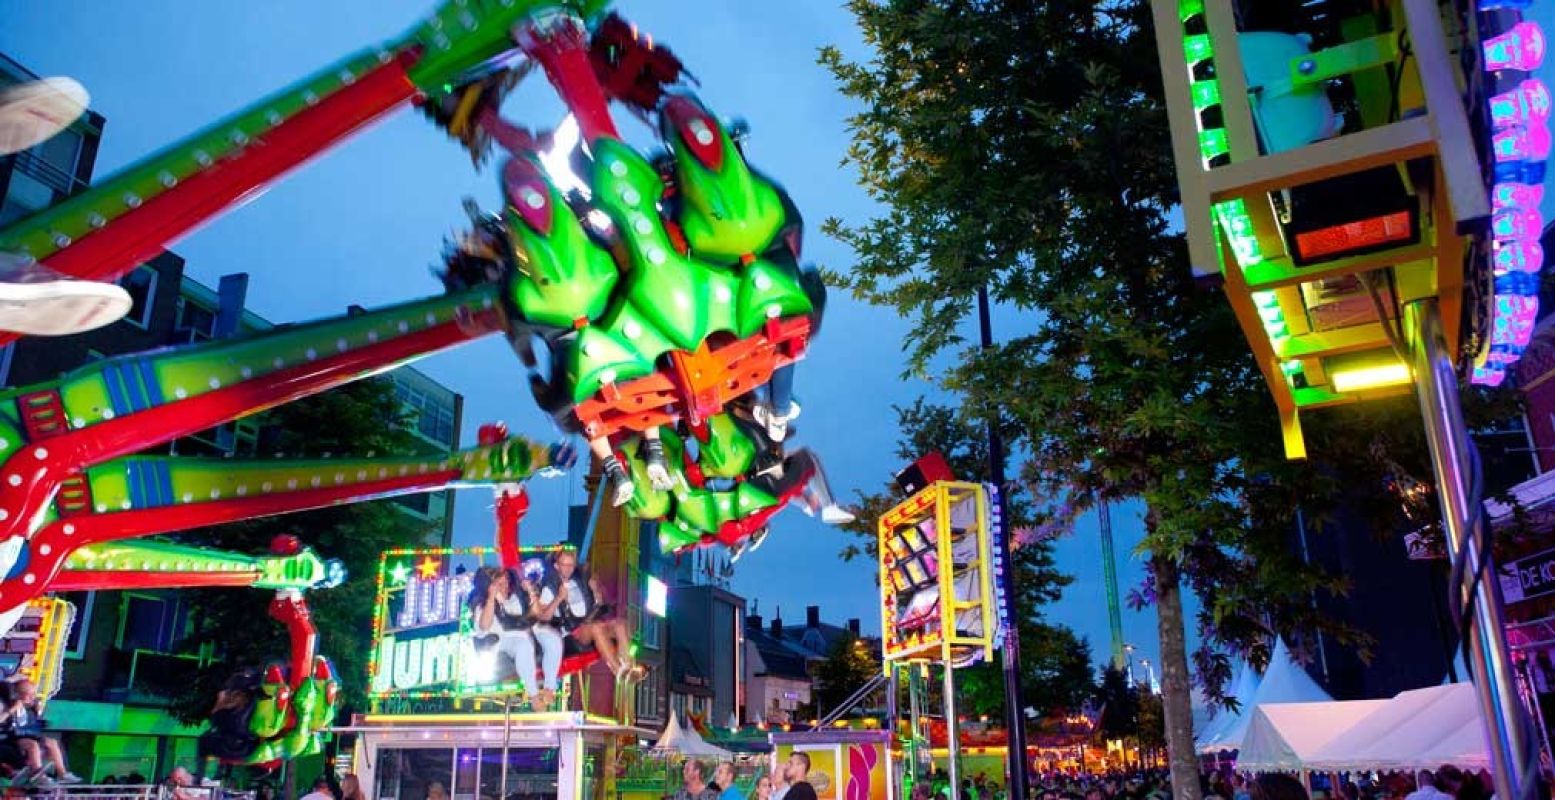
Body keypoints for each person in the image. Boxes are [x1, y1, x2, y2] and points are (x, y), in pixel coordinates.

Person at [468, 566, 563, 708]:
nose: (505, 586)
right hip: (504, 638)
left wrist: (531, 591)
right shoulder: (483, 604)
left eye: (506, 582)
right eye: (500, 584)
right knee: (523, 644)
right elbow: (484, 626)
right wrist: (491, 598)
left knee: (553, 638)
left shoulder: (515, 598)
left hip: (527, 630)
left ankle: (550, 687)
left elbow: (536, 614)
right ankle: (534, 696)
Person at [538, 550, 640, 681]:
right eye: (565, 565)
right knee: (596, 627)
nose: (568, 569)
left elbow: (598, 606)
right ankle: (617, 670)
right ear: (557, 566)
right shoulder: (550, 588)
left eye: (571, 565)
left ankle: (628, 667)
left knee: (620, 623)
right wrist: (559, 598)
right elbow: (544, 617)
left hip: (589, 622)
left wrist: (596, 591)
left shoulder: (578, 583)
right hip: (571, 632)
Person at [3, 679, 80, 786]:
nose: (32, 697)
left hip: (31, 734)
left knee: (51, 742)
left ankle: (62, 773)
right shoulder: (10, 705)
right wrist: (11, 709)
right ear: (18, 694)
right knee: (33, 745)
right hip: (15, 737)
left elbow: (33, 723)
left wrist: (37, 711)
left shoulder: (31, 708)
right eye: (28, 694)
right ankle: (38, 774)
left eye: (33, 694)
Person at [194, 687, 255, 783]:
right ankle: (217, 774)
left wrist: (221, 702)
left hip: (235, 748)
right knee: (210, 739)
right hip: (245, 749)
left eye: (236, 696)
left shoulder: (234, 715)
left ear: (243, 697)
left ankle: (200, 776)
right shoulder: (247, 708)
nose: (232, 698)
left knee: (204, 740)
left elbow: (214, 719)